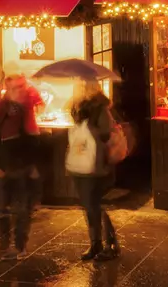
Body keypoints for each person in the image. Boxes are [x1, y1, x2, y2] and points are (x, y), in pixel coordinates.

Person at [0, 74, 43, 261]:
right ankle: (4, 247)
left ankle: (18, 246)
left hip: (20, 165)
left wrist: (31, 164)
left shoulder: (25, 105)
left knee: (19, 209)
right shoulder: (3, 105)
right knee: (3, 210)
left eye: (21, 87)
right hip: (6, 165)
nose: (18, 91)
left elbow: (32, 137)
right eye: (14, 88)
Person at [69, 81, 120, 262]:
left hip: (98, 164)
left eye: (84, 84)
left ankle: (110, 244)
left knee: (97, 204)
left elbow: (105, 134)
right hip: (80, 163)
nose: (81, 87)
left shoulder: (101, 108)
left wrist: (89, 128)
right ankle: (95, 243)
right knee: (88, 206)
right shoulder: (79, 108)